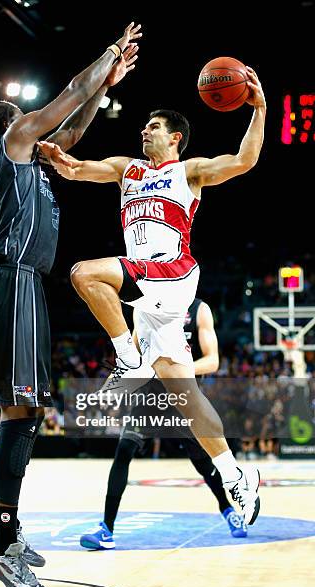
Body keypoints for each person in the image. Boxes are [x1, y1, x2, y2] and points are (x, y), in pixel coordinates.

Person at [0, 23, 142, 587]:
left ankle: (1, 525)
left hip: (24, 288)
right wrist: (108, 53)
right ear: (12, 129)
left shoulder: (30, 163)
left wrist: (104, 87)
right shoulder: (8, 146)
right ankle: (5, 541)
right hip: (10, 284)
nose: (34, 126)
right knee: (23, 410)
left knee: (28, 412)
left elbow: (72, 126)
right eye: (23, 118)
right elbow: (64, 98)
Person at [50, 66, 266, 526]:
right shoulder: (125, 170)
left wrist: (260, 109)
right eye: (144, 125)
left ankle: (126, 357)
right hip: (150, 300)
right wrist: (56, 157)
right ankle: (235, 477)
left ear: (175, 139)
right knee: (185, 396)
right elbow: (76, 170)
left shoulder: (190, 172)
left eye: (154, 127)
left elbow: (245, 160)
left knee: (85, 274)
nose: (144, 130)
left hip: (172, 274)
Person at [80, 299, 247, 550]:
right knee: (124, 450)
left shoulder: (199, 309)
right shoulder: (142, 307)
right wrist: (110, 388)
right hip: (149, 396)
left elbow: (212, 361)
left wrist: (174, 369)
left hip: (183, 396)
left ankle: (226, 508)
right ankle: (106, 528)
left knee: (203, 462)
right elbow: (131, 358)